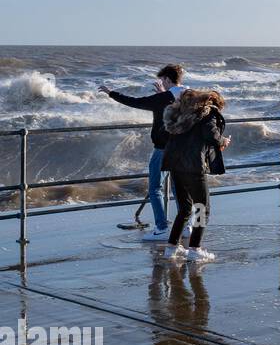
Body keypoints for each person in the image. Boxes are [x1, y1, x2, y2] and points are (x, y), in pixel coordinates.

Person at [98, 64, 187, 240]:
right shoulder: (190, 95)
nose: (162, 83)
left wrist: (111, 93)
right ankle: (187, 227)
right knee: (180, 189)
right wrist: (162, 94)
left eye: (163, 80)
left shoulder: (163, 98)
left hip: (163, 149)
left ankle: (161, 229)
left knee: (155, 189)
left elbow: (136, 102)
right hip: (183, 149)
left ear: (167, 79)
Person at [161, 89, 230, 262]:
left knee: (184, 208)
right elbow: (212, 136)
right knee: (202, 208)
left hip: (175, 164)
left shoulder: (182, 113)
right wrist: (224, 141)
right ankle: (195, 248)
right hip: (193, 166)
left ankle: (171, 248)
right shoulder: (207, 113)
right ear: (214, 102)